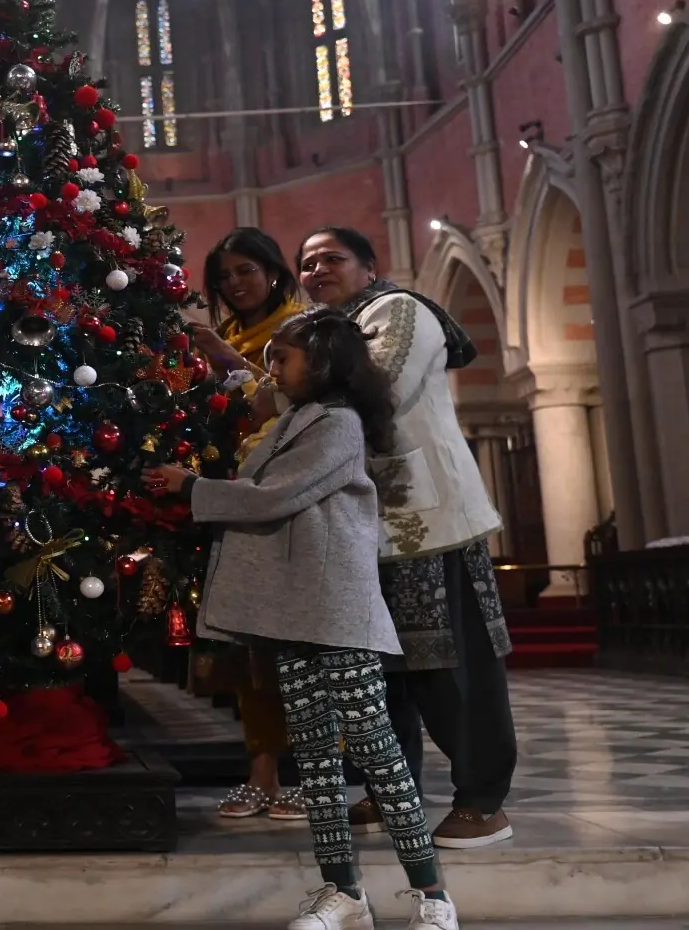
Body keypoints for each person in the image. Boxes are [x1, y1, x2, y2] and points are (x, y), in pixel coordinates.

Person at [145, 307, 460, 930]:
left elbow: (277, 495)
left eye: (282, 358)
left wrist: (190, 488)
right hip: (294, 608)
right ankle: (342, 893)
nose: (272, 368)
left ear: (321, 362)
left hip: (334, 608)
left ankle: (432, 896)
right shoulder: (297, 418)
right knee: (315, 756)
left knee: (375, 748)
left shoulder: (338, 424)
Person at [297, 226, 517, 850]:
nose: (316, 270)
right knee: (380, 670)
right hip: (362, 529)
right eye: (307, 263)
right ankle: (396, 791)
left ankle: (483, 802)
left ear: (369, 266)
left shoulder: (399, 311)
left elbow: (378, 388)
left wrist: (283, 398)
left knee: (451, 666)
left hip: (431, 521)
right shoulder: (328, 332)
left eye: (331, 258)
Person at [193, 228, 308, 822]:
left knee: (298, 648)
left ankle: (308, 779)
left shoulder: (301, 330)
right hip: (235, 500)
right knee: (249, 653)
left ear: (273, 270)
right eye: (225, 277)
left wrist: (221, 356)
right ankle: (261, 774)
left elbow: (285, 400)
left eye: (246, 271)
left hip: (290, 503)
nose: (236, 284)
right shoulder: (236, 333)